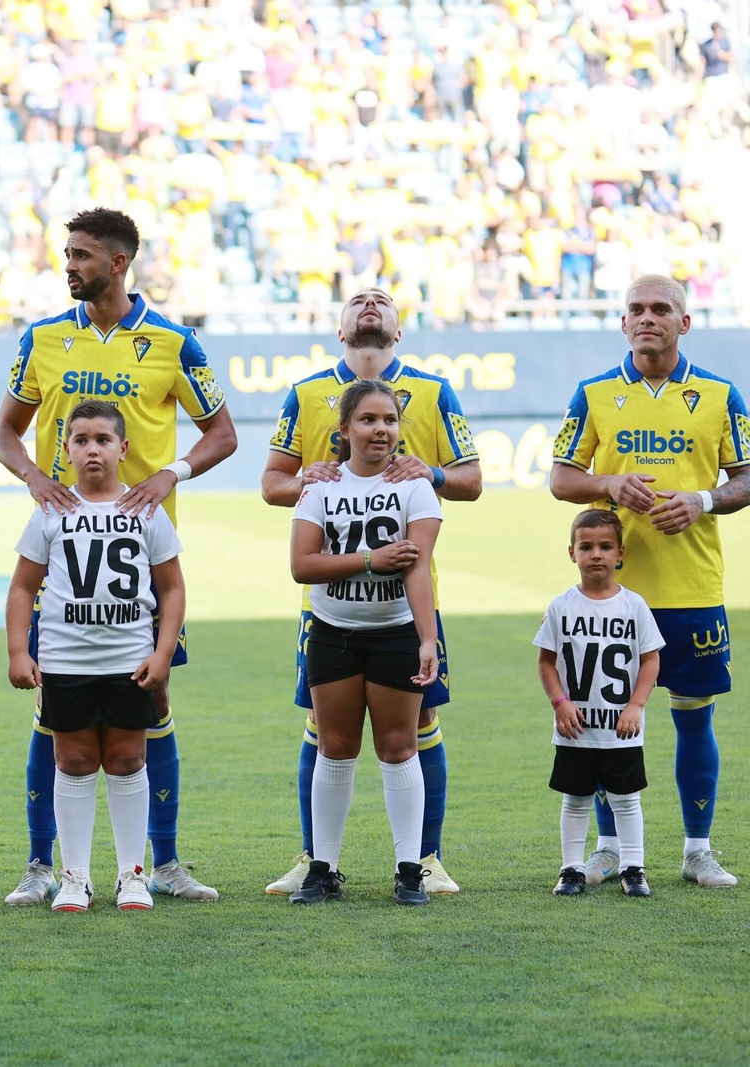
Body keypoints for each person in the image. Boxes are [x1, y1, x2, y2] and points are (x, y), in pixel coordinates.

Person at [0, 207, 236, 906]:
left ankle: (162, 863)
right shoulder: (41, 339)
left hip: (142, 565)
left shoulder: (174, 341)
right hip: (66, 560)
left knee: (150, 711)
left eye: (80, 255)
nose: (68, 265)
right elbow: (5, 432)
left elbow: (221, 432)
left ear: (118, 262)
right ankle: (45, 866)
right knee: (54, 721)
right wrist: (35, 478)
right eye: (66, 254)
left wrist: (172, 474)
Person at [260, 288, 481, 898]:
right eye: (357, 300)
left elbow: (471, 479)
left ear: (398, 330)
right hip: (329, 607)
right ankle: (315, 860)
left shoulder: (434, 392)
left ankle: (424, 859)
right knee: (326, 731)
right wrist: (309, 481)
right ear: (339, 328)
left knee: (413, 725)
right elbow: (272, 483)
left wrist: (429, 473)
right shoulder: (306, 395)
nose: (369, 305)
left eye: (382, 300)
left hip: (406, 606)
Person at [550, 274, 750, 889]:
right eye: (635, 309)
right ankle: (609, 848)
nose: (647, 318)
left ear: (683, 323)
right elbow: (561, 477)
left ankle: (697, 850)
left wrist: (704, 500)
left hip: (691, 587)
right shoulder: (594, 393)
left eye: (661, 309)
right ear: (623, 322)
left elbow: (746, 478)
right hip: (609, 593)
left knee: (694, 718)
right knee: (606, 725)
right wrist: (609, 484)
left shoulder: (720, 395)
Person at [6, 400, 186, 912]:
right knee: (74, 759)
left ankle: (132, 874)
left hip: (128, 658)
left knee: (129, 759)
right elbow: (23, 586)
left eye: (103, 440)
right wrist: (20, 650)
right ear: (65, 450)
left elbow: (172, 588)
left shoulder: (146, 510)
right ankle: (75, 876)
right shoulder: (51, 510)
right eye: (81, 440)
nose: (92, 449)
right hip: (66, 661)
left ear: (123, 448)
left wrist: (164, 651)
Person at [287, 378, 443, 907]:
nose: (381, 430)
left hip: (396, 631)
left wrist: (428, 638)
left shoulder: (416, 487)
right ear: (345, 429)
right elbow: (302, 566)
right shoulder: (319, 487)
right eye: (369, 420)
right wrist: (371, 560)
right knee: (335, 746)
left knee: (399, 746)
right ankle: (323, 868)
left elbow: (416, 569)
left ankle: (409, 870)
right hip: (332, 632)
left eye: (390, 420)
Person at [535, 510, 662, 899]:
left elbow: (650, 659)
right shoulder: (561, 606)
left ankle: (633, 869)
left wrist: (636, 705)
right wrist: (559, 702)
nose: (596, 555)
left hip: (621, 727)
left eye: (606, 547)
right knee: (575, 801)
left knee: (626, 800)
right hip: (577, 729)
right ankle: (571, 870)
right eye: (586, 547)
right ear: (571, 552)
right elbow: (545, 662)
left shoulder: (635, 605)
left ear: (620, 552)